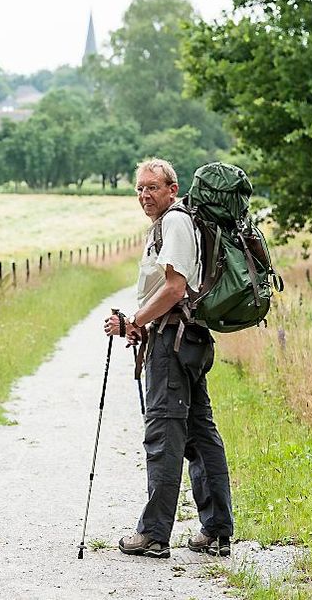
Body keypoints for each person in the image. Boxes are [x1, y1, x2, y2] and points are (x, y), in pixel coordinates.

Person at [103, 158, 234, 559]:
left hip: (172, 344)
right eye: (140, 188)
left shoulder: (175, 222)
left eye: (153, 187)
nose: (145, 195)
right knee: (198, 433)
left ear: (172, 189)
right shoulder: (168, 223)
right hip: (184, 339)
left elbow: (176, 288)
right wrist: (142, 323)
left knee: (164, 434)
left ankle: (155, 535)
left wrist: (134, 321)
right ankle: (215, 531)